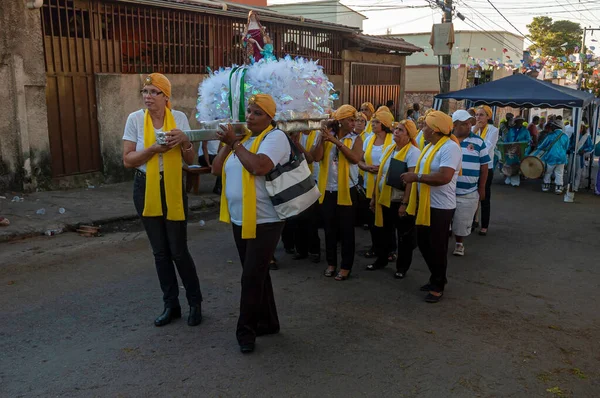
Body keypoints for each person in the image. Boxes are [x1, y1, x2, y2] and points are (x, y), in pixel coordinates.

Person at [212, 93, 291, 354]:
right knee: (257, 274)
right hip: (240, 218)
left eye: (257, 113)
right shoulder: (244, 139)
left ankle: (245, 332)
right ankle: (269, 322)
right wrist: (230, 141)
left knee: (250, 278)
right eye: (249, 111)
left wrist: (235, 143)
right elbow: (215, 169)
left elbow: (259, 166)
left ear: (270, 117)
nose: (250, 116)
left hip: (265, 220)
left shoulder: (275, 138)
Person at [122, 73, 203, 327]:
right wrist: (152, 150)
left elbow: (190, 160)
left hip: (172, 186)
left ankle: (195, 303)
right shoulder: (135, 120)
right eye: (145, 92)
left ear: (166, 97)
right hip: (145, 186)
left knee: (178, 250)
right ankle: (171, 305)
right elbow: (128, 160)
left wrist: (186, 141)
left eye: (153, 92)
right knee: (160, 252)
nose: (147, 97)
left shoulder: (178, 118)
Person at [401, 111, 462, 303]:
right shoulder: (430, 146)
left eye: (425, 126)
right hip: (425, 204)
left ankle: (438, 285)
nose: (422, 129)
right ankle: (437, 277)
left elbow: (444, 177)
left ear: (435, 130)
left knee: (437, 247)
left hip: (441, 207)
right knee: (425, 244)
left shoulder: (450, 148)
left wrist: (416, 177)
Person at [313, 105, 363, 281]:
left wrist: (336, 143)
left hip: (347, 190)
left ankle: (346, 266)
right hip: (328, 189)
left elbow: (355, 158)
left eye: (354, 120)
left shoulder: (356, 139)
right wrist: (321, 138)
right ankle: (331, 263)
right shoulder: (328, 136)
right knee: (329, 229)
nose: (353, 123)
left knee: (347, 230)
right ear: (340, 121)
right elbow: (316, 157)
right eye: (350, 120)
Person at [368, 120, 420, 278]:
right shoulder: (390, 149)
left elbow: (411, 180)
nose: (396, 132)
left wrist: (405, 203)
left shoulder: (413, 152)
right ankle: (382, 259)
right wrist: (374, 198)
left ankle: (402, 267)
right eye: (395, 129)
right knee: (383, 232)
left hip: (399, 200)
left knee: (403, 235)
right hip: (385, 198)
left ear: (409, 135)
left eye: (400, 130)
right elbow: (381, 174)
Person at [451, 110, 490, 256]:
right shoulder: (447, 140)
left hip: (468, 191)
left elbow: (484, 166)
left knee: (462, 221)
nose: (469, 126)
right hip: (446, 191)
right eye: (464, 124)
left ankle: (459, 243)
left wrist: (482, 188)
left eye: (469, 123)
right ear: (455, 125)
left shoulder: (478, 141)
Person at [359, 109, 395, 260]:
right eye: (372, 122)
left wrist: (382, 170)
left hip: (386, 185)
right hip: (369, 185)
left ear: (385, 124)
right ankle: (376, 246)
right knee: (372, 219)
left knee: (388, 219)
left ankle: (391, 249)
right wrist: (366, 167)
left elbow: (397, 161)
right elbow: (359, 159)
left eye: (376, 122)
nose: (372, 124)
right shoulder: (368, 139)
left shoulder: (393, 140)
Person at [290, 130, 321, 262]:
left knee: (311, 219)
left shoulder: (317, 134)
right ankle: (300, 249)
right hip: (295, 179)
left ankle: (314, 250)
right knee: (296, 216)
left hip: (311, 179)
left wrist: (296, 144)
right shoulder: (294, 133)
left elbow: (310, 158)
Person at [472, 105, 499, 236]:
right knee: (471, 195)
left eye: (481, 115)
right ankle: (472, 221)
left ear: (488, 117)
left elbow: (486, 148)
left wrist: (473, 146)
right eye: (476, 115)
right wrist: (475, 129)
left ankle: (485, 225)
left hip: (486, 168)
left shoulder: (493, 130)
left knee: (484, 196)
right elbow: (466, 143)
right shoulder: (473, 129)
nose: (478, 117)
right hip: (472, 166)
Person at [531, 119, 569, 194]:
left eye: (553, 126)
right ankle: (558, 188)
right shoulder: (565, 136)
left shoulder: (550, 135)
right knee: (559, 173)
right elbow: (566, 147)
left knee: (548, 172)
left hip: (551, 156)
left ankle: (546, 186)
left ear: (555, 127)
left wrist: (537, 148)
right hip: (562, 157)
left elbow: (542, 146)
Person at [502, 115, 530, 187]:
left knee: (517, 166)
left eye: (521, 121)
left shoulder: (525, 131)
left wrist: (520, 143)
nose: (519, 122)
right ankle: (508, 178)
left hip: (519, 151)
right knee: (509, 164)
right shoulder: (511, 130)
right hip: (510, 150)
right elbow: (506, 139)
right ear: (516, 122)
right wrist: (506, 146)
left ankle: (515, 181)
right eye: (518, 121)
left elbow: (528, 140)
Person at [571, 120, 594, 192]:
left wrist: (584, 150)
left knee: (578, 172)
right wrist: (570, 149)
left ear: (583, 127)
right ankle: (571, 185)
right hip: (572, 155)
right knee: (571, 171)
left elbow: (591, 147)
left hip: (580, 156)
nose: (579, 129)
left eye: (580, 127)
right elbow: (570, 144)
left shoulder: (587, 136)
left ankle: (576, 187)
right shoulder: (574, 134)